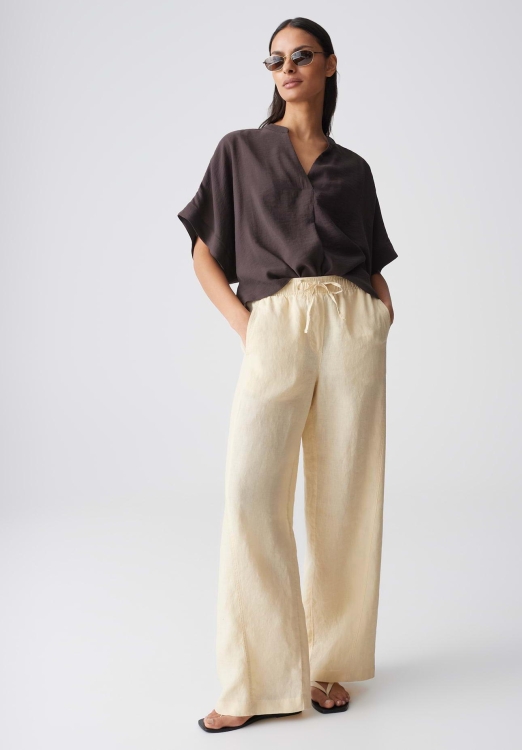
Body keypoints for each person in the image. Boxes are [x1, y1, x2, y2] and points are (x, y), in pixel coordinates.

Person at [177, 17, 398, 734]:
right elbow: (204, 252)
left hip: (349, 326)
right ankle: (254, 681)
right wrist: (249, 327)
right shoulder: (240, 150)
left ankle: (328, 661)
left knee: (345, 495)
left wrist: (380, 315)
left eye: (301, 56)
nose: (287, 68)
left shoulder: (352, 168)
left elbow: (371, 261)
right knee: (251, 493)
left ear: (329, 64)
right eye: (275, 60)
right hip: (274, 320)